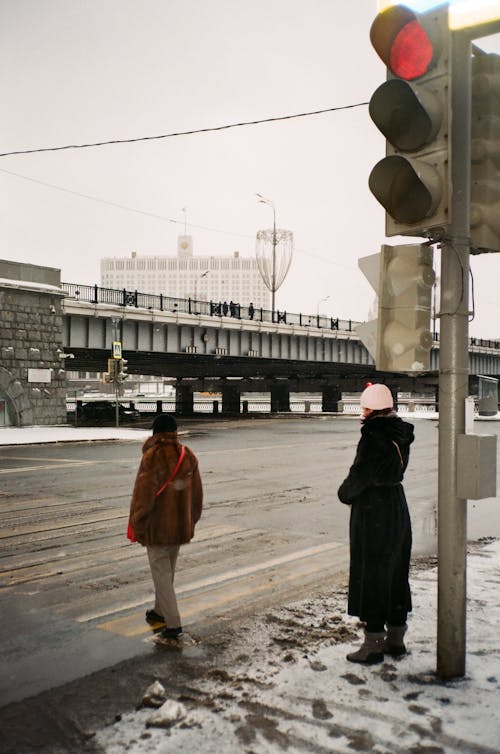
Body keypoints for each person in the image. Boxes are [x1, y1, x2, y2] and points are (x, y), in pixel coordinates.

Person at [337, 383, 414, 665]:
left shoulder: (373, 435)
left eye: (364, 406)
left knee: (372, 573)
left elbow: (360, 475)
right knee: (395, 571)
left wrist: (345, 493)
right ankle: (396, 639)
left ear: (370, 408)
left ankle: (372, 644)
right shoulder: (400, 433)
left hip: (374, 511)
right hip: (396, 505)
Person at [127, 414, 203, 642]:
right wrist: (190, 520)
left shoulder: (152, 457)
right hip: (179, 526)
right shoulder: (187, 455)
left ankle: (173, 624)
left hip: (158, 527)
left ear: (156, 433)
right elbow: (197, 495)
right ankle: (159, 611)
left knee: (161, 574)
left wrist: (137, 521)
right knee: (166, 572)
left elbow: (143, 495)